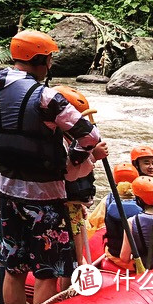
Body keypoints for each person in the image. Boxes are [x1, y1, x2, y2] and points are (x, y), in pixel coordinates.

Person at [0, 29, 107, 304]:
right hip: (46, 197)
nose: (51, 64)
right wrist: (74, 161)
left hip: (6, 191)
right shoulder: (46, 97)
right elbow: (90, 137)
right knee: (48, 270)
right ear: (40, 59)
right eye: (50, 58)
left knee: (13, 266)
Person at [53, 85, 97, 270]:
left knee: (77, 258)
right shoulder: (58, 141)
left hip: (74, 205)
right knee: (74, 260)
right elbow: (70, 173)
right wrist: (95, 156)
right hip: (64, 207)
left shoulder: (72, 140)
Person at [100, 164, 142, 270]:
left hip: (114, 255)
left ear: (115, 183)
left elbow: (92, 224)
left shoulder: (107, 200)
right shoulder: (145, 200)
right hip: (142, 258)